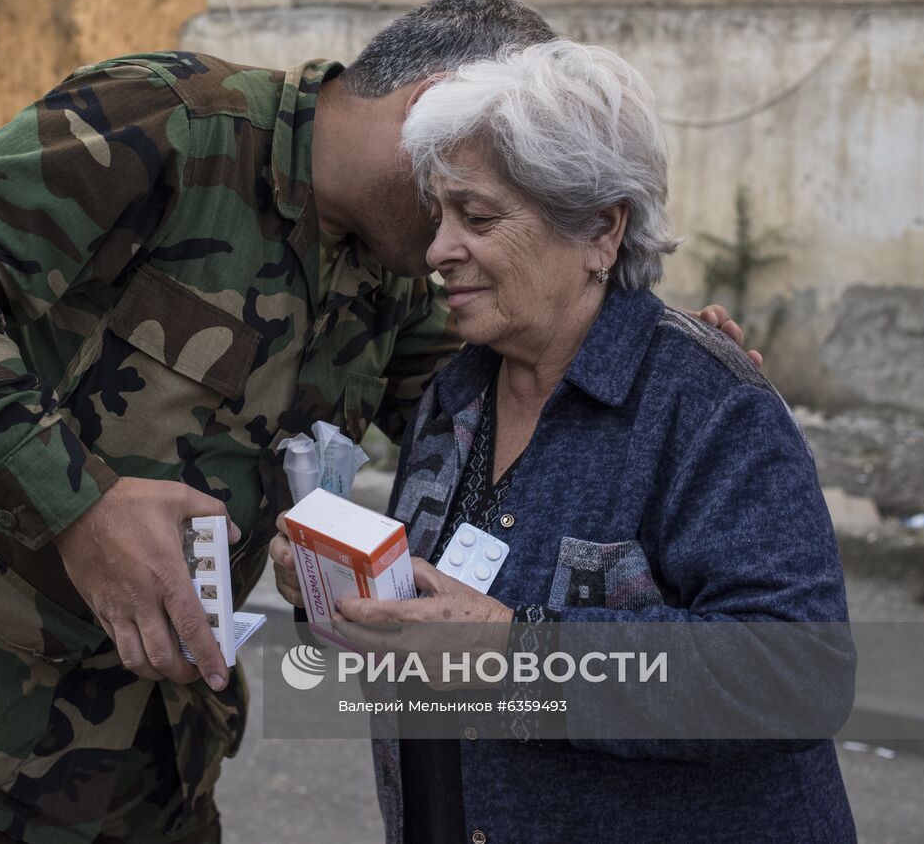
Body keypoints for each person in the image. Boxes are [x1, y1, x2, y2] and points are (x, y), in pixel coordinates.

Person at [0, 0, 752, 843]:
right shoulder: (172, 124)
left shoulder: (411, 272)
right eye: (508, 167)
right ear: (440, 109)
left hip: (154, 754)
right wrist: (75, 507)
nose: (471, 231)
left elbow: (500, 424)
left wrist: (653, 363)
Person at [272, 41, 854, 843]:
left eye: (476, 218)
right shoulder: (456, 391)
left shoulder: (707, 406)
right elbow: (432, 623)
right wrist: (337, 590)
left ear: (600, 232)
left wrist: (516, 653)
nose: (437, 250)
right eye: (439, 215)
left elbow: (798, 674)